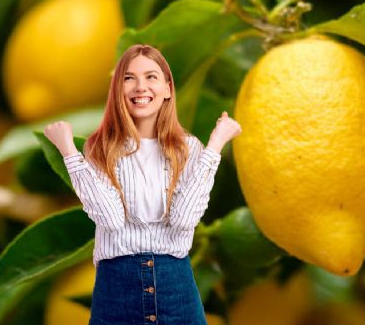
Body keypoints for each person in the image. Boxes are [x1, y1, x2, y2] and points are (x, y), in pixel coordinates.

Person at [43, 44, 241, 325]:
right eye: (128, 78)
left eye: (151, 77)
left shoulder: (189, 148)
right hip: (117, 283)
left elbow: (184, 219)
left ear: (168, 89)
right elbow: (110, 219)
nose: (140, 87)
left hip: (174, 282)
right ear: (117, 90)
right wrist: (69, 152)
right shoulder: (101, 149)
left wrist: (215, 145)